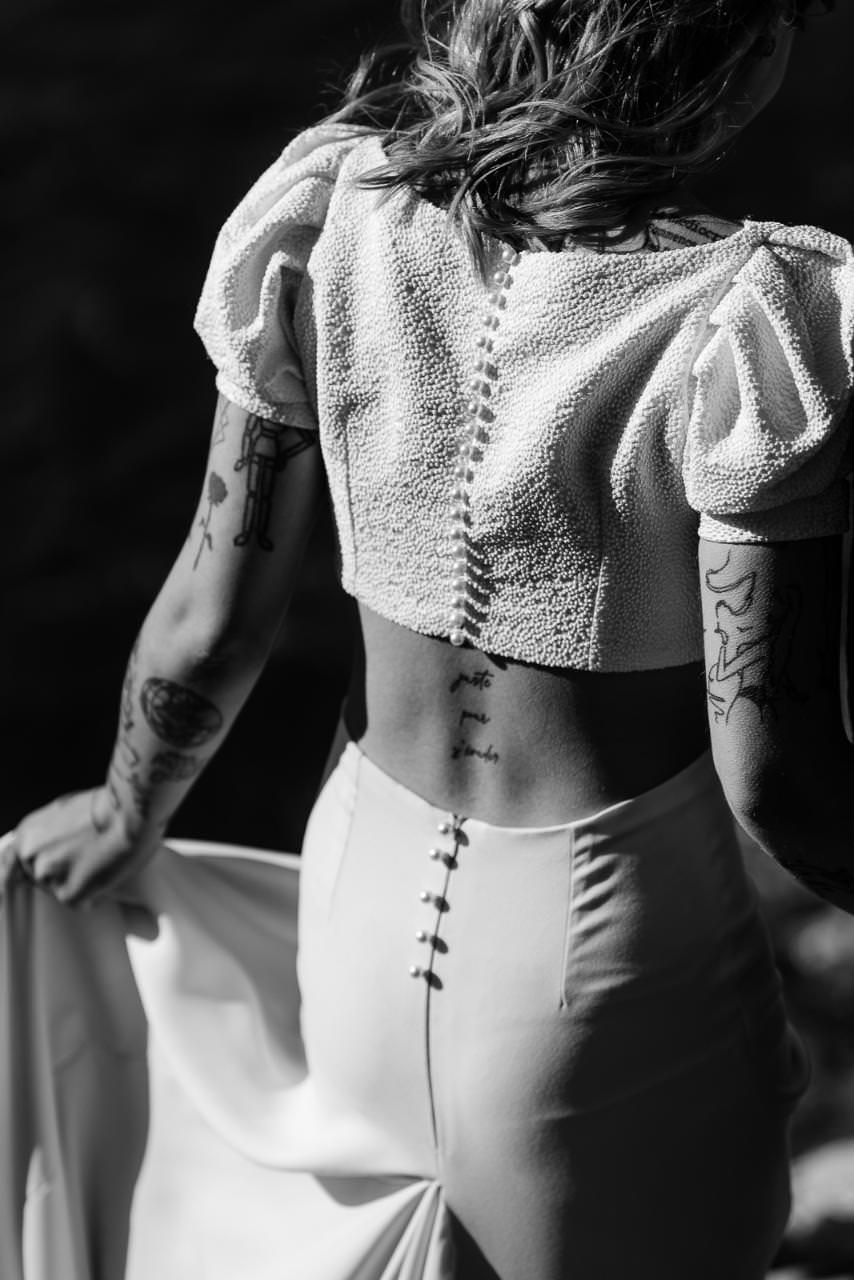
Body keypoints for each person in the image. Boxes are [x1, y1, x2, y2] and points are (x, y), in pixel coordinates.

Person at [3, 0, 854, 1276]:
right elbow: (769, 769)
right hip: (606, 952)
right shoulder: (755, 312)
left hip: (357, 895)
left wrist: (131, 808)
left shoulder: (330, 210)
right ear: (725, 50)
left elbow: (214, 607)